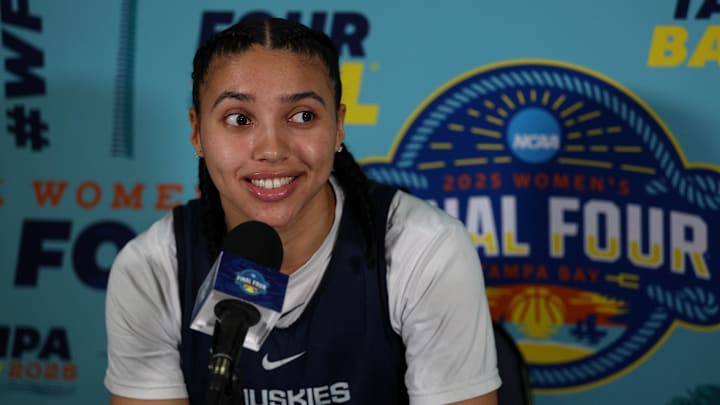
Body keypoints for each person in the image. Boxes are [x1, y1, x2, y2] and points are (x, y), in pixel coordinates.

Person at [104, 17, 501, 405]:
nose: (272, 149)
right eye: (239, 119)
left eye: (303, 116)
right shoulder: (151, 270)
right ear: (197, 133)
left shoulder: (424, 249)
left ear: (339, 125)